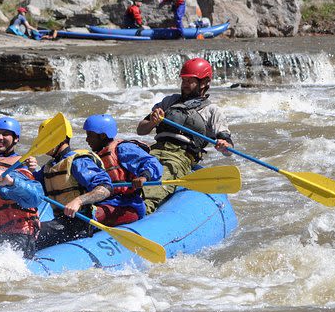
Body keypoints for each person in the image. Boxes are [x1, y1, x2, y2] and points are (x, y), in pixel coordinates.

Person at [136, 57, 233, 214]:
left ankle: (141, 212)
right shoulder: (169, 102)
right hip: (153, 151)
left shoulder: (213, 111)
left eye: (190, 81)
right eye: (184, 80)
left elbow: (228, 148)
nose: (185, 84)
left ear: (204, 83)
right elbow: (141, 129)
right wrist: (153, 122)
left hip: (180, 157)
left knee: (155, 186)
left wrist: (224, 145)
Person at [34, 115, 113, 249]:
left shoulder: (78, 162)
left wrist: (79, 201)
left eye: (45, 138)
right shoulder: (49, 167)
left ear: (59, 139)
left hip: (79, 224)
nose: (42, 142)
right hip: (60, 222)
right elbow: (32, 187)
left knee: (31, 233)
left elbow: (105, 187)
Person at [83, 114, 163, 225]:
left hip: (126, 206)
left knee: (86, 217)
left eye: (90, 135)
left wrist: (144, 177)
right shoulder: (96, 156)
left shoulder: (123, 149)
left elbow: (152, 163)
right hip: (105, 203)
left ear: (102, 136)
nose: (87, 139)